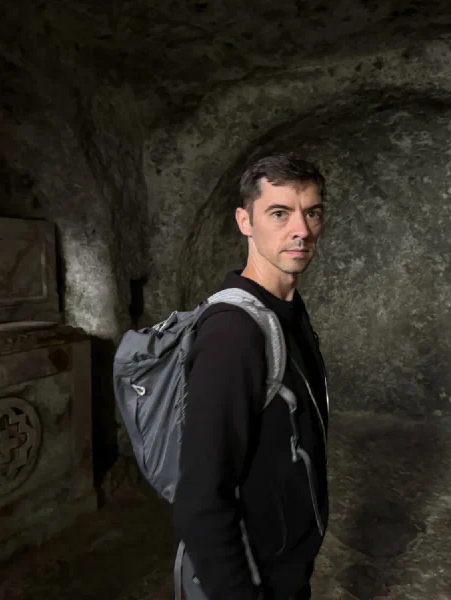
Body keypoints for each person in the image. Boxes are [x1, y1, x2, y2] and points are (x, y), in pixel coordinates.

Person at [173, 153, 330, 600]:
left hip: (288, 560)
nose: (301, 229)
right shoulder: (233, 332)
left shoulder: (289, 312)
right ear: (245, 221)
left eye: (312, 212)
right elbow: (201, 499)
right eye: (279, 214)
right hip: (256, 575)